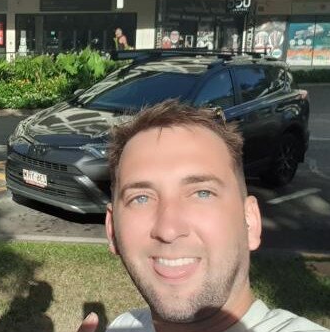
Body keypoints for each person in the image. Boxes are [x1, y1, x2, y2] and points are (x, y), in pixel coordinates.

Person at [100, 100, 329, 332]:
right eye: (141, 198)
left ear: (250, 222)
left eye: (202, 193)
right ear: (112, 231)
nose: (168, 230)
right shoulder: (124, 325)